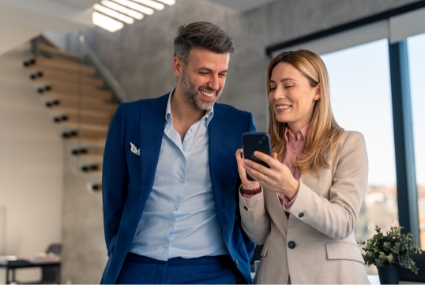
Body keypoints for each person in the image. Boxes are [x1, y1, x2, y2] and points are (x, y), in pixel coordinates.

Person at [100, 21, 256, 284]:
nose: (215, 84)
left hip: (212, 272)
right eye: (205, 72)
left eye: (222, 74)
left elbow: (252, 209)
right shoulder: (130, 118)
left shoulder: (239, 125)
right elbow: (113, 202)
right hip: (138, 269)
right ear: (178, 66)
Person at [235, 50, 369, 284]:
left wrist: (291, 189)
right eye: (273, 86)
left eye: (288, 86)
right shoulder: (271, 152)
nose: (276, 95)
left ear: (317, 91)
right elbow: (259, 235)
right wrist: (251, 189)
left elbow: (343, 223)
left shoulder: (349, 143)